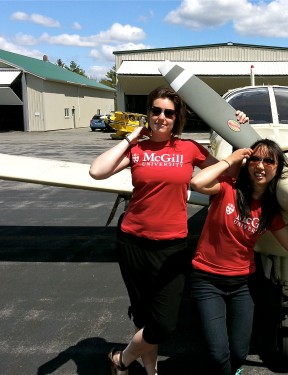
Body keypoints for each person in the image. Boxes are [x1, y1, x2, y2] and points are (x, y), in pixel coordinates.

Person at [89, 86, 249, 375]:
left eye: (169, 113)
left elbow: (230, 173)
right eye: (156, 111)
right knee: (144, 317)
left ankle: (121, 360)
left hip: (171, 247)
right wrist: (130, 138)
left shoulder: (189, 148)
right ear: (148, 114)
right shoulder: (137, 150)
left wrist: (236, 129)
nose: (161, 117)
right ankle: (152, 372)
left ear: (177, 119)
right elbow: (97, 171)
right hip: (132, 243)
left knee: (164, 323)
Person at [189, 139, 288, 375]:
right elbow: (197, 182)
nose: (260, 165)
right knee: (218, 353)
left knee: (240, 353)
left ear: (277, 168)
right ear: (247, 163)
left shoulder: (271, 212)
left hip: (242, 284)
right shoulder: (226, 188)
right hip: (207, 280)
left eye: (269, 161)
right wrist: (231, 159)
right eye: (255, 159)